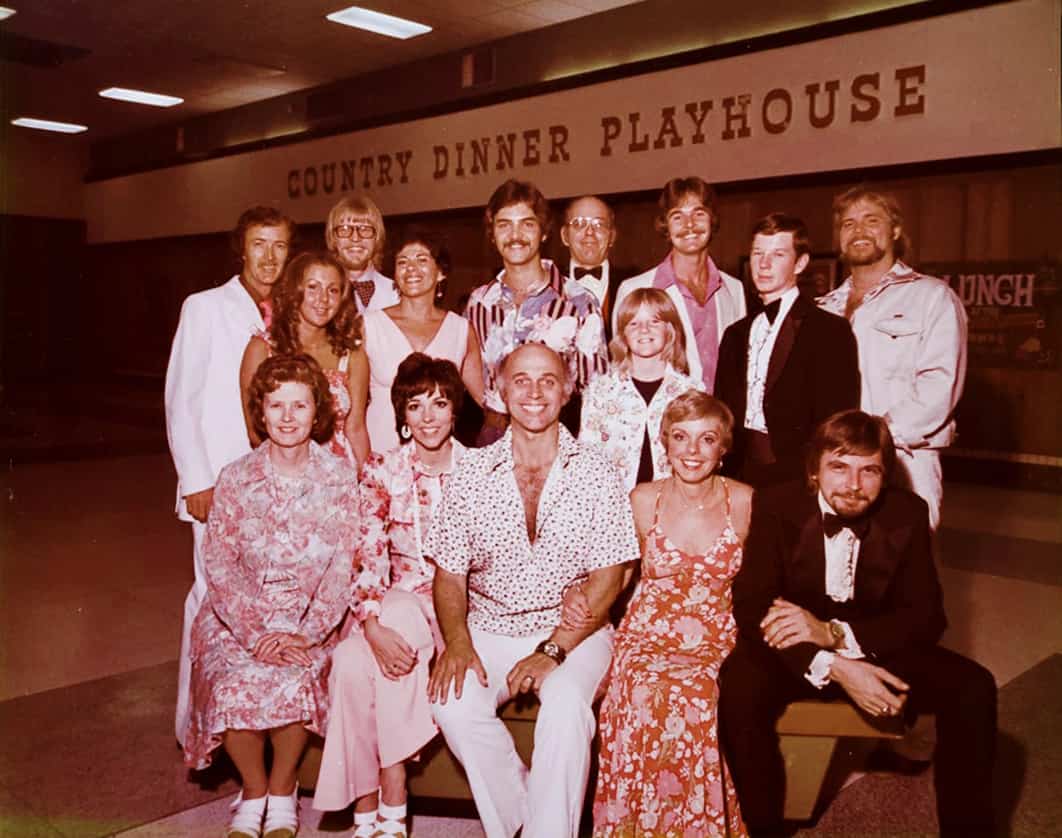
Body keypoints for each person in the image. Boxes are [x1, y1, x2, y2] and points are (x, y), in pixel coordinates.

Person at [718, 410, 997, 838]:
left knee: (974, 687)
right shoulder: (776, 503)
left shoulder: (907, 511)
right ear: (814, 471)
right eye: (839, 467)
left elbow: (927, 617)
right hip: (796, 654)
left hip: (876, 646)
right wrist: (839, 668)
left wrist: (833, 633)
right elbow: (752, 606)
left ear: (885, 475)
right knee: (738, 685)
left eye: (869, 470)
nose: (853, 484)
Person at [426, 343, 639, 838]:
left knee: (565, 707)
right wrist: (457, 642)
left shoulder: (598, 472)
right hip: (491, 626)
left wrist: (554, 649)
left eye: (548, 380)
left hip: (575, 630)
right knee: (451, 703)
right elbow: (450, 575)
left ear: (567, 391)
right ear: (500, 389)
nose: (535, 391)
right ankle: (524, 818)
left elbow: (610, 579)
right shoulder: (471, 473)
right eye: (521, 379)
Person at [183, 354, 359, 838]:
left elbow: (344, 567)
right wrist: (257, 630)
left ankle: (284, 791)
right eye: (276, 405)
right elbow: (218, 563)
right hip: (239, 618)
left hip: (313, 619)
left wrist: (303, 631)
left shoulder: (341, 478)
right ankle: (254, 787)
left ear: (316, 411)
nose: (287, 417)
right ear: (260, 412)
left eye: (298, 406)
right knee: (232, 682)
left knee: (298, 677)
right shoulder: (236, 477)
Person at [312, 354, 468, 838]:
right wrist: (371, 623)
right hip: (397, 598)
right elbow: (368, 552)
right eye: (415, 406)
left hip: (460, 602)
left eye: (439, 404)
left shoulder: (482, 470)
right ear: (401, 415)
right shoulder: (382, 470)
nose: (427, 417)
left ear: (454, 410)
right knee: (353, 657)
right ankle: (378, 806)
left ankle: (383, 793)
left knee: (361, 657)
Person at [590, 390, 751, 837]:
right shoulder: (644, 499)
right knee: (639, 689)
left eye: (707, 439)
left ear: (725, 447)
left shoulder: (744, 501)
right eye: (681, 437)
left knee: (697, 693)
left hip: (715, 632)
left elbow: (761, 581)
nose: (692, 451)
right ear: (664, 441)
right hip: (648, 630)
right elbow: (618, 575)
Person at [165, 205, 295, 746]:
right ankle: (195, 726)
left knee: (264, 602)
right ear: (241, 249)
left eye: (279, 245)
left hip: (276, 485)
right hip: (216, 484)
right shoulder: (205, 307)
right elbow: (181, 396)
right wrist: (195, 478)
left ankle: (255, 719)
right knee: (212, 599)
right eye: (258, 244)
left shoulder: (289, 310)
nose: (269, 256)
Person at [817, 186, 968, 530]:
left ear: (895, 230)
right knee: (835, 572)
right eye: (849, 223)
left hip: (904, 460)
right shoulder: (823, 308)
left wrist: (875, 440)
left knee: (902, 573)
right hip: (833, 464)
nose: (859, 231)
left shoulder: (932, 298)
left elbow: (939, 389)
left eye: (871, 221)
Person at [715, 213, 860, 487]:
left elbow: (837, 419)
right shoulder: (735, 334)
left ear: (800, 263)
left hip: (798, 476)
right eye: (758, 253)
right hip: (737, 472)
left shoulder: (830, 330)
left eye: (778, 254)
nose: (764, 264)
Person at [465, 179, 609, 443]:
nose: (515, 235)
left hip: (557, 440)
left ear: (543, 232)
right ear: (492, 234)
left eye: (527, 224)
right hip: (493, 440)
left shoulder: (578, 301)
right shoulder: (479, 302)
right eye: (504, 225)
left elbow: (598, 391)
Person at [354, 229, 484, 453]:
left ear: (441, 272)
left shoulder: (461, 329)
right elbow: (352, 410)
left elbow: (487, 401)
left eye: (422, 260)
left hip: (439, 458)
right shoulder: (368, 326)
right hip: (381, 454)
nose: (411, 268)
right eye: (402, 262)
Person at [614, 176, 746, 391]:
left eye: (699, 213)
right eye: (678, 217)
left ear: (712, 220)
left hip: (720, 418)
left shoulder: (734, 289)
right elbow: (622, 369)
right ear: (665, 225)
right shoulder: (634, 289)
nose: (690, 225)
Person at [239, 250, 367, 463]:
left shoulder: (351, 354)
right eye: (313, 287)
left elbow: (356, 429)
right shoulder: (262, 349)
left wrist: (367, 485)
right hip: (284, 474)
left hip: (342, 477)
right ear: (294, 291)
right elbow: (255, 432)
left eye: (333, 290)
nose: (323, 299)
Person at [580, 287, 704, 492]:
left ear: (670, 330)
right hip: (613, 504)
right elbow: (586, 458)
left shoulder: (690, 392)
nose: (644, 330)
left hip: (671, 504)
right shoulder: (600, 391)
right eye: (633, 323)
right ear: (623, 334)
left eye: (654, 321)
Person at [559, 195, 635, 340]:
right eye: (579, 224)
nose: (589, 232)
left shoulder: (634, 285)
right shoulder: (547, 284)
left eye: (599, 224)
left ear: (612, 236)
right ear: (565, 236)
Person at [325, 192, 398, 313]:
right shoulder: (317, 295)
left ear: (377, 238)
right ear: (333, 238)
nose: (355, 238)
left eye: (365, 229)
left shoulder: (396, 293)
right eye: (345, 229)